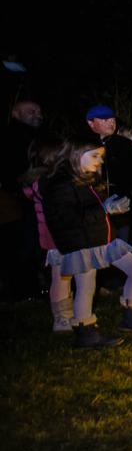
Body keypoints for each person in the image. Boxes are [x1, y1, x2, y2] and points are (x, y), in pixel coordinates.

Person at [40, 138, 132, 348]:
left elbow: (88, 210)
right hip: (82, 243)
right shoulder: (59, 184)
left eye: (101, 157)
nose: (99, 162)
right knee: (86, 286)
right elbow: (67, 219)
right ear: (77, 155)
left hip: (103, 239)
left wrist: (109, 206)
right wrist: (105, 209)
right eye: (95, 156)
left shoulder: (83, 178)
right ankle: (85, 333)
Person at [22, 138, 73, 332]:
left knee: (64, 276)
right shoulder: (46, 182)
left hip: (55, 235)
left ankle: (67, 314)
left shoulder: (42, 181)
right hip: (55, 237)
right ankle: (61, 319)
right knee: (60, 277)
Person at [86, 105, 132, 250]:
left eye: (112, 119)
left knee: (122, 246)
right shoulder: (81, 146)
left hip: (122, 207)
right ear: (90, 123)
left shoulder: (125, 145)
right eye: (104, 119)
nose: (111, 122)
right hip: (93, 209)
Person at [1, 100, 45, 301]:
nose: (37, 115)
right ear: (15, 114)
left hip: (34, 199)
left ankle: (34, 287)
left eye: (38, 111)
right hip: (16, 200)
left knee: (35, 245)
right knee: (21, 245)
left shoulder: (39, 136)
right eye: (31, 111)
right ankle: (22, 290)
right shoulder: (10, 137)